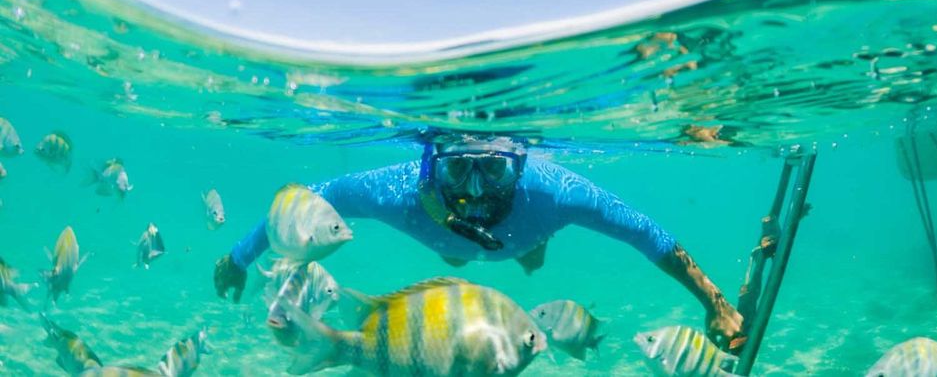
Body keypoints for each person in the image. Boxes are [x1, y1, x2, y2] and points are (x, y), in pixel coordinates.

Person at [213, 135, 746, 350]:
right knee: (457, 247)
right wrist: (238, 258)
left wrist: (714, 303)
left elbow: (644, 233)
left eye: (492, 169)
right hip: (451, 243)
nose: (474, 190)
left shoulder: (554, 192)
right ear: (430, 165)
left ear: (519, 165)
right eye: (458, 169)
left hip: (527, 235)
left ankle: (530, 253)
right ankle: (515, 251)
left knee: (527, 249)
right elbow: (308, 200)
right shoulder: (397, 192)